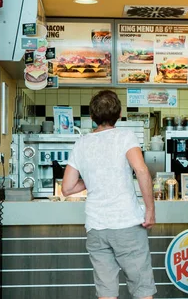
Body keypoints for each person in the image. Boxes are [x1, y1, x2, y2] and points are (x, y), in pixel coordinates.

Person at [62, 90, 156, 299]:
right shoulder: (126, 137)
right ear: (120, 114)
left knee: (106, 292)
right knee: (142, 289)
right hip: (127, 224)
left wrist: (94, 178)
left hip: (96, 227)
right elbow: (141, 171)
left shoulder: (82, 143)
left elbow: (67, 188)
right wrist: (150, 210)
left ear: (91, 117)